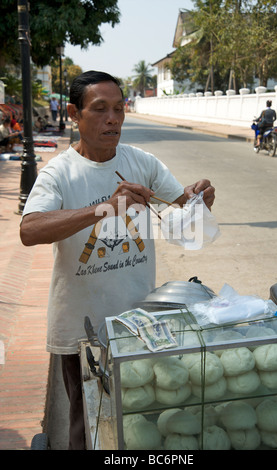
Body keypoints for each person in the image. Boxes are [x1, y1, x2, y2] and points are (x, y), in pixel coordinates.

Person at [19, 70, 215, 450]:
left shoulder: (139, 161)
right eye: (100, 109)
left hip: (139, 324)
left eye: (119, 109)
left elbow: (181, 201)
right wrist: (103, 209)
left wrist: (198, 196)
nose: (113, 119)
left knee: (142, 418)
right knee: (88, 422)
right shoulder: (60, 172)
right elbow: (30, 230)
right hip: (82, 330)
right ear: (75, 116)